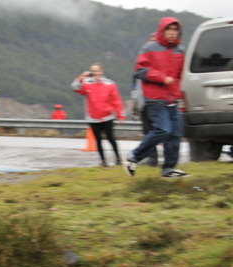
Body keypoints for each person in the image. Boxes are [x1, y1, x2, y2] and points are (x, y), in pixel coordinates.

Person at [124, 17, 188, 178]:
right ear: (162, 30)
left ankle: (169, 169)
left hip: (172, 98)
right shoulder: (149, 47)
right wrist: (161, 77)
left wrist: (179, 94)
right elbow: (139, 70)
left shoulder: (180, 50)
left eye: (175, 30)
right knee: (163, 129)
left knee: (175, 134)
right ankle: (133, 157)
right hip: (154, 97)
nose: (172, 33)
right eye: (169, 29)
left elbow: (179, 76)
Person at [71, 63, 125, 166]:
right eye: (93, 71)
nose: (96, 73)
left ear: (102, 71)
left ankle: (118, 159)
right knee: (98, 140)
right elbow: (75, 88)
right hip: (93, 118)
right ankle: (103, 161)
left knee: (111, 138)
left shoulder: (110, 84)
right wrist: (81, 77)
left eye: (97, 71)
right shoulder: (86, 83)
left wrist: (120, 114)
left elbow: (116, 100)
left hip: (107, 116)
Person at [131, 32, 161, 167]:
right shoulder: (141, 63)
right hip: (143, 103)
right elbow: (134, 85)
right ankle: (152, 158)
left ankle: (170, 158)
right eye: (150, 41)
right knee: (147, 131)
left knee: (162, 130)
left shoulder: (161, 61)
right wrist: (136, 104)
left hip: (158, 101)